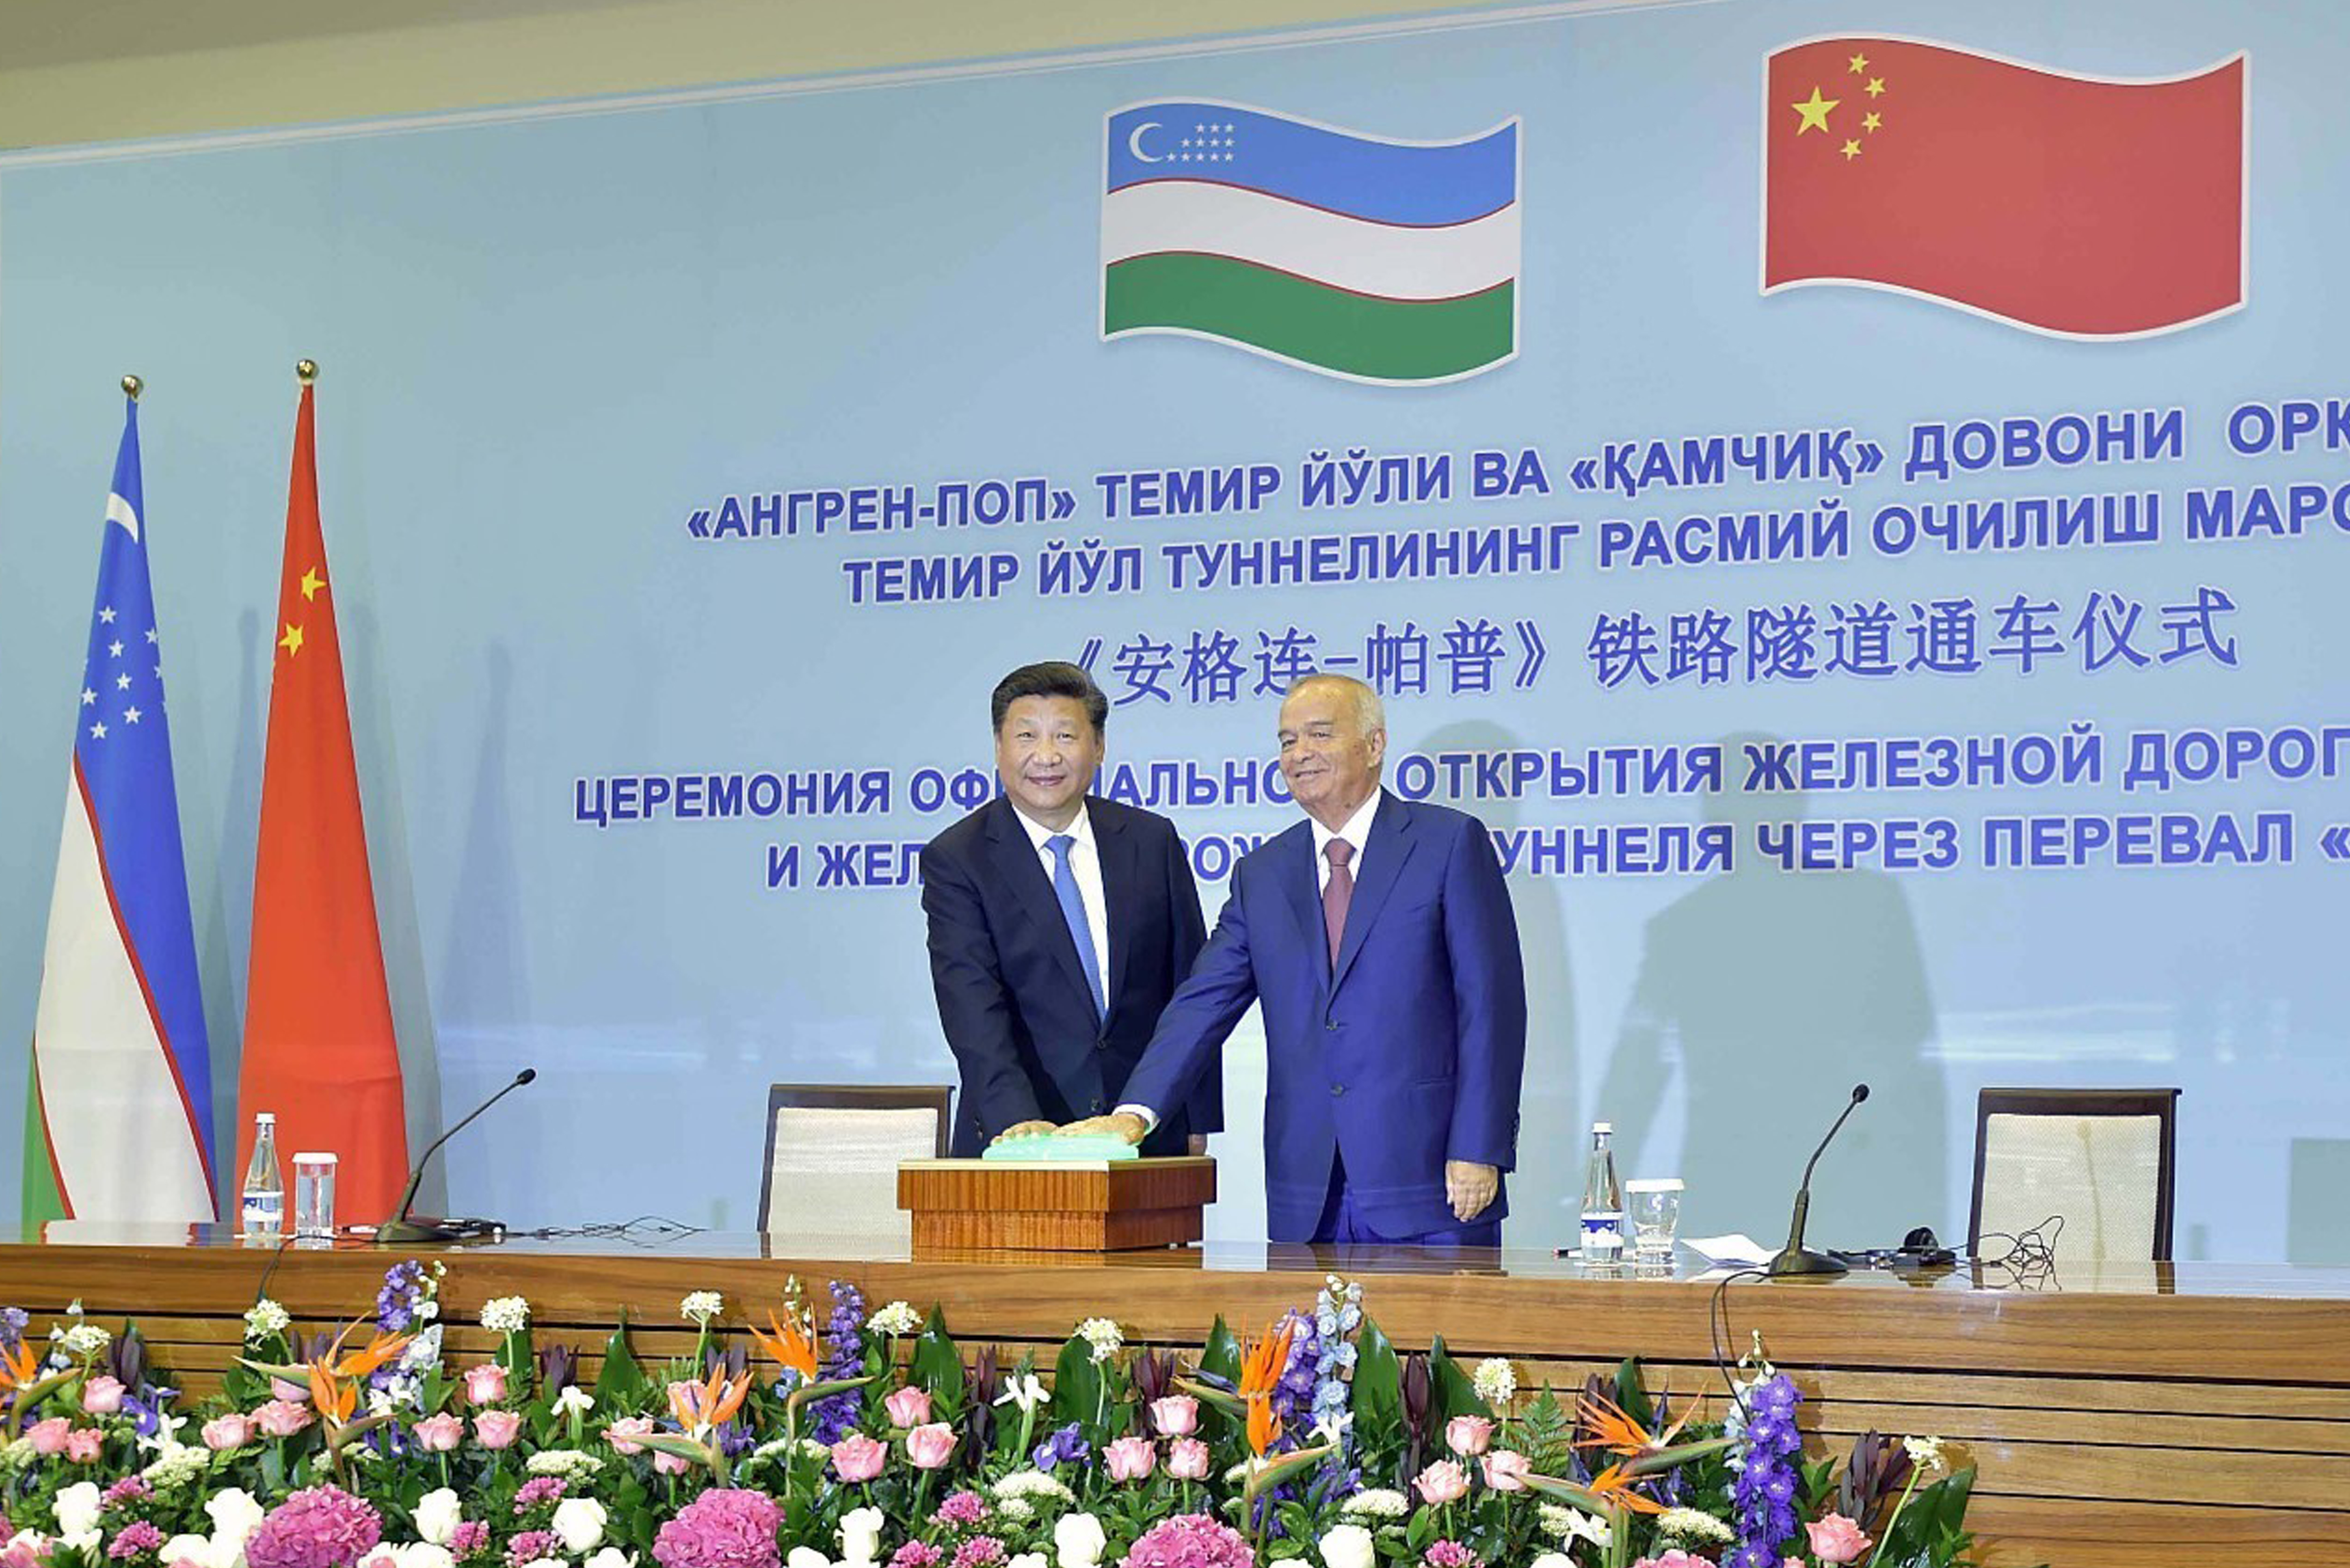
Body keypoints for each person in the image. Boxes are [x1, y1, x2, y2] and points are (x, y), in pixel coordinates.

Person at [1059, 673, 1526, 1246]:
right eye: (1286, 741)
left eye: (1319, 734)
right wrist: (1135, 1112)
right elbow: (1202, 1004)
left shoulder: (1447, 843)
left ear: (1374, 744)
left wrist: (1478, 1147)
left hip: (1432, 1181)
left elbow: (1490, 1008)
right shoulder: (1263, 873)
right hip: (1305, 1191)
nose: (1299, 753)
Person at [921, 661, 1219, 1157]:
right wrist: (1017, 1124)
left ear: (1098, 747)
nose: (1046, 755)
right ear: (998, 748)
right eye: (1027, 736)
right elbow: (972, 1007)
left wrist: (1195, 1113)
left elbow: (1190, 987)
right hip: (1019, 1138)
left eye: (1065, 735)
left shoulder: (1151, 840)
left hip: (1143, 1135)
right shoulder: (959, 858)